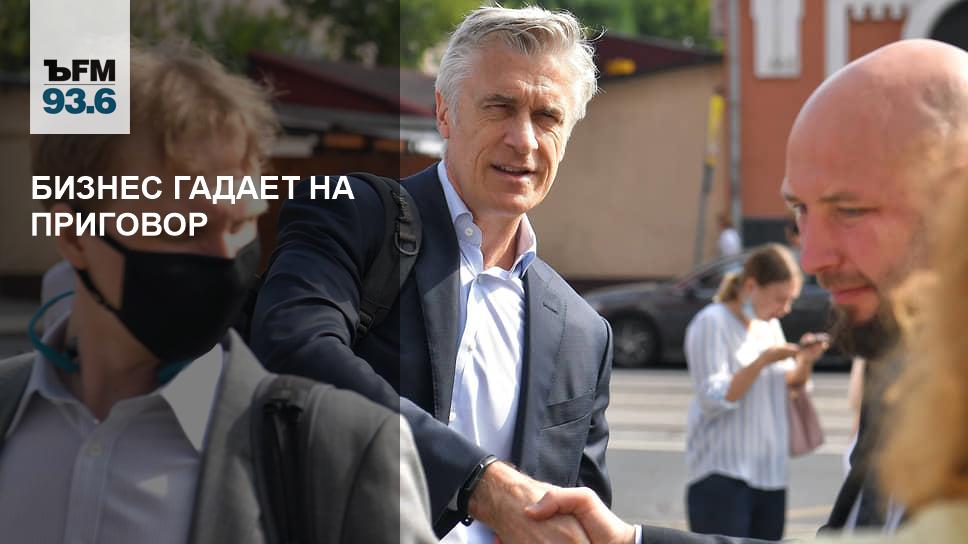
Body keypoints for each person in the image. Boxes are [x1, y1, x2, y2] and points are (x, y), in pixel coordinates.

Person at [520, 38, 968, 544]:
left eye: (850, 211)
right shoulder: (907, 377)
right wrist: (628, 541)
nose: (814, 257)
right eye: (800, 210)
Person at [0, 44, 436, 544]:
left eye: (240, 224)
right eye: (185, 228)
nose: (225, 256)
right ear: (74, 236)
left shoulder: (344, 455)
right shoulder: (11, 420)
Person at [250, 5, 612, 544]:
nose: (524, 139)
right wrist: (477, 483)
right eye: (500, 107)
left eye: (547, 117)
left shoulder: (584, 332)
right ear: (444, 112)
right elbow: (293, 351)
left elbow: (584, 516)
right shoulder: (354, 216)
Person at [684, 244, 827, 539]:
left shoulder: (768, 326)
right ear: (751, 286)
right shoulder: (712, 322)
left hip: (770, 474)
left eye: (790, 300)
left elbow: (790, 386)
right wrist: (762, 361)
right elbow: (713, 397)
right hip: (723, 471)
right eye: (780, 299)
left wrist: (805, 361)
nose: (785, 309)